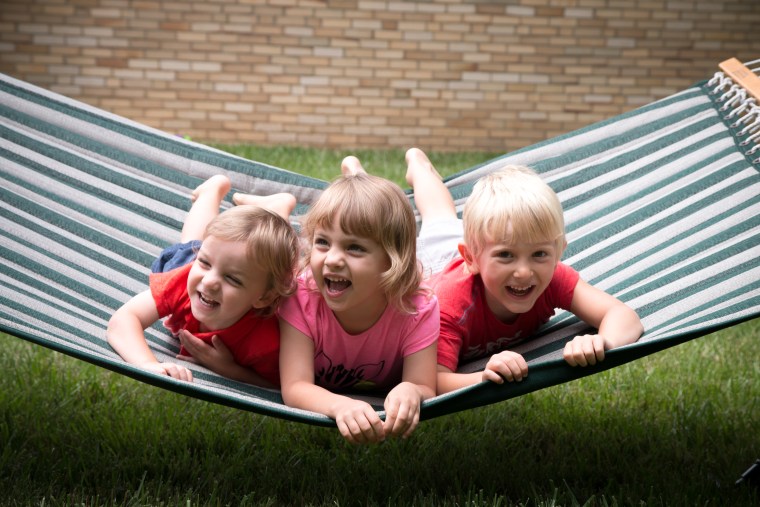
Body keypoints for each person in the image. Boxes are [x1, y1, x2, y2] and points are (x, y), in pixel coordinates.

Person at [404, 147, 644, 394]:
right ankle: (408, 169)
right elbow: (432, 380)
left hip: (481, 250)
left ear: (559, 252)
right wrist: (483, 379)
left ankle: (418, 165)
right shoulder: (449, 307)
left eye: (539, 254)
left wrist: (603, 341)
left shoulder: (553, 279)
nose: (524, 272)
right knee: (436, 219)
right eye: (506, 255)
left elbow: (623, 315)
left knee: (443, 217)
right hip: (435, 264)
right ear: (471, 258)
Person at [273, 160, 439, 444]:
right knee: (262, 243)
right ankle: (277, 207)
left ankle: (377, 170)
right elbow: (295, 386)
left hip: (423, 271)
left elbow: (424, 385)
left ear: (392, 260)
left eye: (354, 248)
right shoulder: (300, 297)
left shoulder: (416, 309)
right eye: (322, 242)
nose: (333, 259)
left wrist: (411, 390)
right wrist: (339, 405)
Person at [107, 174, 299, 387]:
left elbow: (281, 384)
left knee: (278, 264)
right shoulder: (184, 279)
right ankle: (212, 190)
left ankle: (278, 207)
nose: (209, 282)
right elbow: (122, 321)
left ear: (263, 298)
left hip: (258, 276)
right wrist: (147, 364)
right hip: (189, 264)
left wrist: (229, 369)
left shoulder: (266, 341)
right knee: (193, 242)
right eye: (205, 263)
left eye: (233, 279)